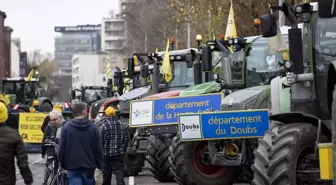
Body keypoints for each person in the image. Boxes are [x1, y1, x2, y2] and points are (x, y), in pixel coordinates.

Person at [58, 102, 103, 185]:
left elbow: (61, 149)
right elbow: (98, 149)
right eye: (86, 110)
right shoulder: (93, 127)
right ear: (83, 111)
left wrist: (63, 164)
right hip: (89, 167)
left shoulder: (67, 127)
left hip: (72, 167)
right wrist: (99, 164)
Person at [0, 101, 33, 185]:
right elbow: (22, 163)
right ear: (5, 115)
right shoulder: (14, 136)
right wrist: (28, 179)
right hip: (6, 180)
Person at [98, 106, 129, 185]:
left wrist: (101, 154)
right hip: (119, 154)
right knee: (119, 171)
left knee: (107, 173)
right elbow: (126, 140)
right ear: (115, 114)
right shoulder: (122, 125)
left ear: (106, 115)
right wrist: (123, 150)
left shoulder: (103, 126)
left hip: (106, 155)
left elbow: (100, 142)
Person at [41, 110, 66, 185]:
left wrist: (54, 139)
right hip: (56, 154)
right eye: (52, 120)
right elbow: (46, 138)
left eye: (55, 119)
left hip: (65, 156)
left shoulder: (67, 126)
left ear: (61, 117)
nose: (53, 122)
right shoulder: (53, 126)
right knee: (55, 172)